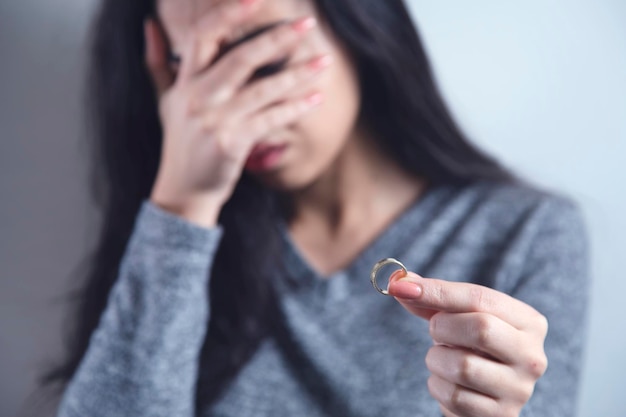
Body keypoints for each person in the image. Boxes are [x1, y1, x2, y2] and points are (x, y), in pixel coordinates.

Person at [43, 0, 589, 416]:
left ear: (355, 22)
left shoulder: (526, 234)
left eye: (259, 51)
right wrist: (183, 201)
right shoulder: (174, 241)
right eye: (194, 72)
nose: (226, 110)